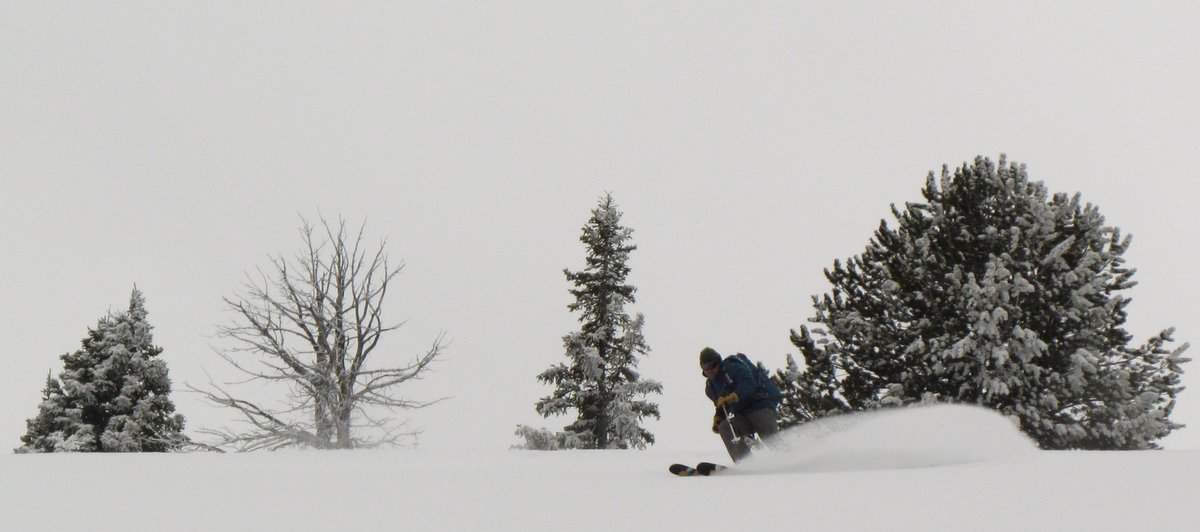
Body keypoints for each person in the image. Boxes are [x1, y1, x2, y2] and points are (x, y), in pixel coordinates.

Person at [700, 347, 780, 462]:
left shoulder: (733, 367)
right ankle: (745, 463)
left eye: (712, 366)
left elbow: (748, 384)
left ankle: (789, 458)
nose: (709, 370)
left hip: (759, 406)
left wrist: (734, 396)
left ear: (719, 362)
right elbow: (722, 405)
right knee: (726, 427)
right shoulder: (710, 387)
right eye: (705, 367)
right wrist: (719, 417)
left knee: (771, 439)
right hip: (741, 414)